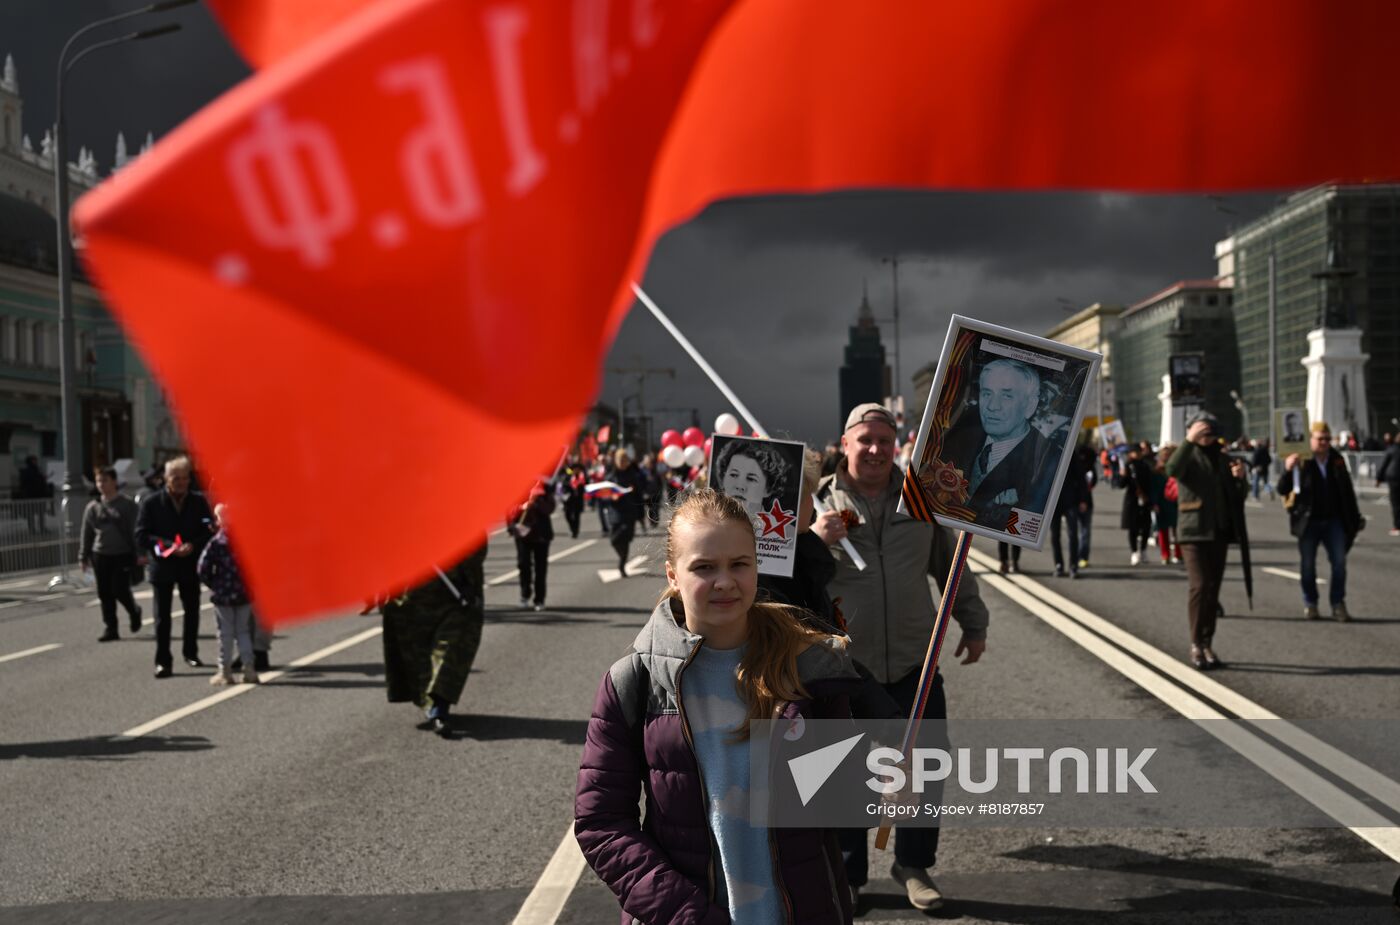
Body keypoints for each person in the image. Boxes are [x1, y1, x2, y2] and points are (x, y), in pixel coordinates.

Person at [576, 489, 859, 924]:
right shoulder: (633, 681)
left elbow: (834, 798)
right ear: (673, 574)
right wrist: (688, 916)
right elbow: (602, 824)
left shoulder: (810, 667)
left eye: (739, 565)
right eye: (704, 567)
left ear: (756, 566)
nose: (724, 581)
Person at [812, 402, 989, 913]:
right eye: (864, 440)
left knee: (927, 766)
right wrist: (816, 543)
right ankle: (848, 874)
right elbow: (786, 577)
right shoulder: (818, 501)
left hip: (916, 657)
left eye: (883, 441)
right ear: (844, 443)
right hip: (844, 666)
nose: (874, 450)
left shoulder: (921, 497)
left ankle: (913, 863)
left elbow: (950, 565)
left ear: (896, 446)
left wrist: (973, 623)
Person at [1165, 412, 1249, 670]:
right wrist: (1188, 440)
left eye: (1210, 431)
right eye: (1201, 431)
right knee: (1199, 586)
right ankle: (1194, 644)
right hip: (1193, 531)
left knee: (1213, 591)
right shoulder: (1187, 455)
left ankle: (1207, 642)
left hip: (1219, 531)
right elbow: (1172, 470)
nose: (1207, 435)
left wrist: (1240, 479)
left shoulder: (1223, 458)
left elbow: (1236, 498)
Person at [381, 544, 487, 736]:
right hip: (413, 596)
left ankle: (439, 706)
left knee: (449, 648)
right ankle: (428, 701)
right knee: (419, 655)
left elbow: (476, 547)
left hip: (454, 595)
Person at [938, 359, 1053, 527]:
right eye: (987, 394)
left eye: (1007, 396)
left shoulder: (1047, 461)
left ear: (1030, 406)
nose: (992, 406)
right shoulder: (955, 439)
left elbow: (1028, 527)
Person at [136, 456, 216, 678]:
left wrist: (193, 545)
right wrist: (169, 545)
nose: (181, 482)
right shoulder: (150, 503)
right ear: (165, 479)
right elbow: (142, 535)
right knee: (162, 616)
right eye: (175, 478)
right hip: (163, 566)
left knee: (192, 611)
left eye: (184, 478)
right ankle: (163, 661)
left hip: (190, 565)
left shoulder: (198, 502)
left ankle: (191, 652)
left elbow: (208, 531)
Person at [1278, 421, 1363, 622]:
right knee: (1308, 566)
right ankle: (1311, 603)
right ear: (1311, 439)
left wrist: (1354, 518)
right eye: (1320, 439)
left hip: (1333, 520)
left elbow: (1347, 492)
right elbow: (1282, 488)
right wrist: (1289, 469)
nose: (1324, 442)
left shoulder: (1336, 459)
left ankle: (1338, 604)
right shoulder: (1301, 460)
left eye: (1327, 438)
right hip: (1308, 521)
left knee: (1339, 564)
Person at [80, 466, 144, 641]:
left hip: (122, 554)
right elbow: (87, 533)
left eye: (105, 480)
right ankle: (111, 628)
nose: (101, 484)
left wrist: (140, 553)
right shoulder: (93, 507)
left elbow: (137, 530)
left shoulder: (128, 505)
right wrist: (83, 556)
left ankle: (134, 611)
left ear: (114, 482)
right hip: (100, 554)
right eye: (99, 481)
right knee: (104, 593)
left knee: (119, 589)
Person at [196, 503, 257, 685]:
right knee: (243, 631)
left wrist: (214, 583)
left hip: (223, 593)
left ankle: (225, 671)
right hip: (244, 592)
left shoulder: (217, 542)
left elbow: (202, 567)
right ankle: (249, 668)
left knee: (225, 633)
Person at [713, 438, 794, 519]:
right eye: (734, 475)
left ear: (768, 489)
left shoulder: (785, 531)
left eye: (751, 479)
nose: (740, 486)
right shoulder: (708, 526)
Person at [508, 480, 555, 610]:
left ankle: (539, 599)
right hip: (522, 533)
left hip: (541, 535)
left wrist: (537, 502)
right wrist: (522, 508)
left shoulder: (544, 487)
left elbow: (550, 507)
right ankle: (525, 594)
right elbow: (509, 509)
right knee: (523, 564)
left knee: (541, 568)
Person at [1049, 444, 1090, 577]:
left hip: (1070, 501)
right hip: (1052, 502)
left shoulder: (1070, 452)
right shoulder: (1046, 451)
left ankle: (1073, 565)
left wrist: (1083, 499)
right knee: (1055, 536)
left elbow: (1081, 477)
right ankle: (1059, 565)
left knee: (1072, 534)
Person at [604, 449, 647, 575]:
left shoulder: (632, 475)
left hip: (629, 512)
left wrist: (641, 513)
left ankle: (622, 563)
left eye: (624, 460)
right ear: (616, 462)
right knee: (614, 540)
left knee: (626, 539)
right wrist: (611, 497)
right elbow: (604, 495)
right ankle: (622, 556)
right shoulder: (610, 477)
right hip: (615, 512)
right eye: (620, 460)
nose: (622, 463)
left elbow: (638, 494)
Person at [1120, 444, 1154, 565]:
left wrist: (1150, 500)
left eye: (1138, 451)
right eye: (1135, 452)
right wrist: (1122, 475)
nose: (1137, 454)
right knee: (1133, 528)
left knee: (1146, 527)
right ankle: (1134, 552)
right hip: (1132, 501)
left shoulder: (1145, 465)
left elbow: (1150, 483)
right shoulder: (1127, 466)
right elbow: (1121, 484)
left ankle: (1143, 551)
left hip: (1145, 500)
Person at [1149, 447, 1182, 564]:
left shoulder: (1177, 470)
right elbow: (1153, 489)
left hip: (1174, 503)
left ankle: (1178, 554)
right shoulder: (1156, 472)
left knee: (1177, 531)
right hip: (1162, 503)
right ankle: (1165, 554)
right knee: (1163, 531)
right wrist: (1154, 503)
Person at [1077, 443, 1097, 569]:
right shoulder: (1089, 468)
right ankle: (1080, 557)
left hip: (1082, 502)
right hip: (1079, 502)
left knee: (1082, 531)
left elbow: (1093, 483)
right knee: (1083, 531)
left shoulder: (1089, 468)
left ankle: (1080, 557)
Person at [1376, 433, 1400, 537]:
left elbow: (1383, 464)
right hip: (1395, 477)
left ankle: (1397, 526)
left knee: (1395, 503)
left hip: (1393, 478)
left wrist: (1378, 478)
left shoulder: (1391, 449)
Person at [557, 455, 585, 539]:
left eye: (578, 469)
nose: (576, 470)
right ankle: (572, 528)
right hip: (568, 500)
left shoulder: (582, 477)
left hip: (577, 500)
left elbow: (585, 486)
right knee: (567, 515)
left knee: (576, 516)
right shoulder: (568, 476)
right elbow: (563, 484)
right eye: (575, 468)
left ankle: (575, 531)